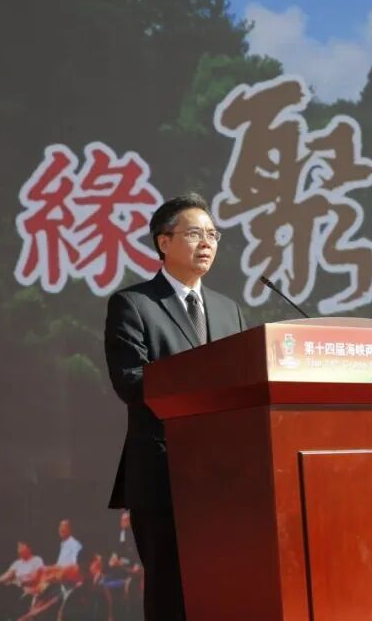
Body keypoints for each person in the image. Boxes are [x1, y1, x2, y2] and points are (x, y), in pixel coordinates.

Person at [104, 192, 248, 621]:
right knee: (171, 594)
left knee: (225, 588)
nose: (207, 243)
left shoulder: (228, 310)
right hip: (163, 473)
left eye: (213, 235)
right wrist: (203, 382)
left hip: (225, 475)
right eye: (194, 233)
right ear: (163, 242)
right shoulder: (134, 304)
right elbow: (130, 381)